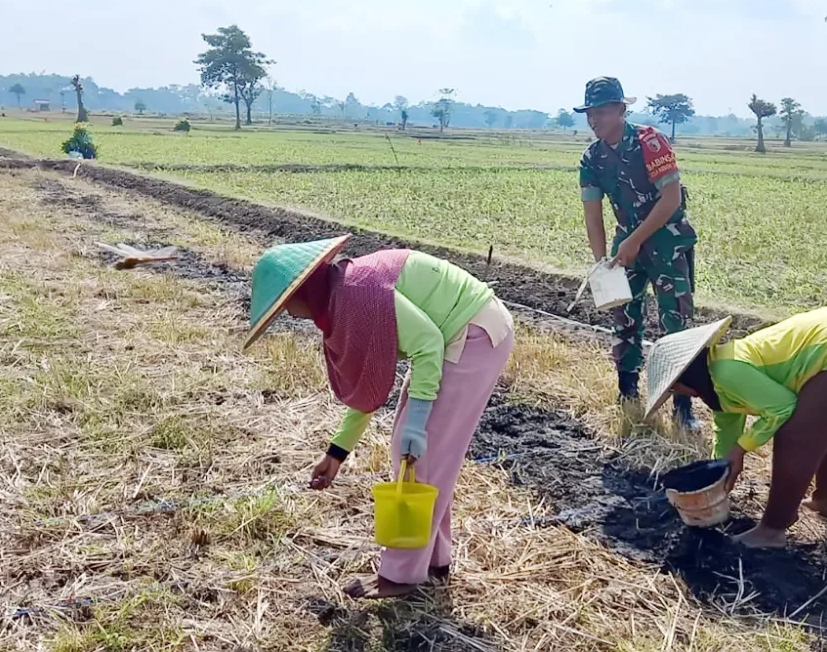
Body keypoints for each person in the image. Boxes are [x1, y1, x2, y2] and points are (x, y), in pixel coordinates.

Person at [244, 236, 514, 598]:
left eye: (287, 306)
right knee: (421, 453)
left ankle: (400, 577)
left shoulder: (357, 293)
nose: (291, 315)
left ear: (304, 290)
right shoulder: (342, 294)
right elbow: (370, 380)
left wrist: (417, 421)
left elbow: (428, 343)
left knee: (418, 454)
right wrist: (337, 452)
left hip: (473, 333)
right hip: (462, 333)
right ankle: (434, 561)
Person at [644, 307, 827, 549]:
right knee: (826, 424)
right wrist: (720, 474)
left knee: (794, 433)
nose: (679, 394)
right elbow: (726, 432)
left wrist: (742, 447)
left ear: (687, 380)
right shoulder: (716, 385)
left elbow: (782, 408)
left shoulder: (727, 371)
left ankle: (772, 530)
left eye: (675, 388)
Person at [575, 76, 699, 429]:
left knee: (675, 323)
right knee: (624, 316)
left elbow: (671, 199)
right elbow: (592, 214)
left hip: (666, 239)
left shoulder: (650, 142)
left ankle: (683, 408)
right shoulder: (592, 158)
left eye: (601, 111)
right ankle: (627, 394)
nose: (594, 119)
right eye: (589, 112)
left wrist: (635, 242)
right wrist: (603, 262)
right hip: (626, 241)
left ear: (621, 110)